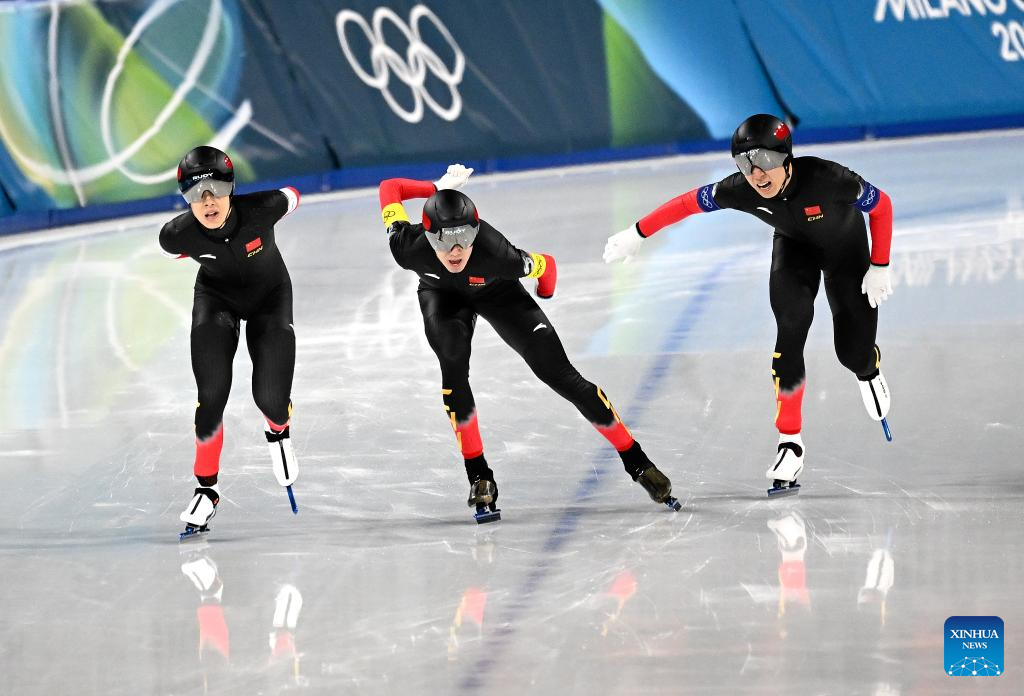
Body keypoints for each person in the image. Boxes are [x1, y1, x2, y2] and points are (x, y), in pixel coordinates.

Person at [604, 114, 894, 495]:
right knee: (791, 325)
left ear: (786, 158)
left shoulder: (830, 178)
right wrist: (637, 232)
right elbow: (688, 203)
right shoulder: (739, 189)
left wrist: (880, 264)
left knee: (852, 354)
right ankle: (790, 442)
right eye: (745, 163)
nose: (756, 174)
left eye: (765, 161)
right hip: (794, 250)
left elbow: (882, 206)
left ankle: (868, 367)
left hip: (846, 253)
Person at [379, 164, 680, 522]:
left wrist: (545, 294)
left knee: (559, 374)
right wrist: (433, 187)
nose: (456, 249)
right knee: (453, 363)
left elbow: (547, 266)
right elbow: (390, 187)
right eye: (444, 239)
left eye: (465, 237)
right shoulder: (406, 246)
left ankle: (637, 461)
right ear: (428, 236)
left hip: (497, 293)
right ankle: (479, 475)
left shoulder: (498, 254)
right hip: (441, 297)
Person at [159, 145, 301, 535]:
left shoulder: (264, 208)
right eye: (195, 192)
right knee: (211, 397)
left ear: (231, 188)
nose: (207, 201)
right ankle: (207, 490)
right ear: (185, 198)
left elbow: (293, 196)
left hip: (270, 297)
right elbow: (176, 250)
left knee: (270, 399)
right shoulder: (176, 235)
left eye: (216, 190)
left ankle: (278, 428)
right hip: (216, 300)